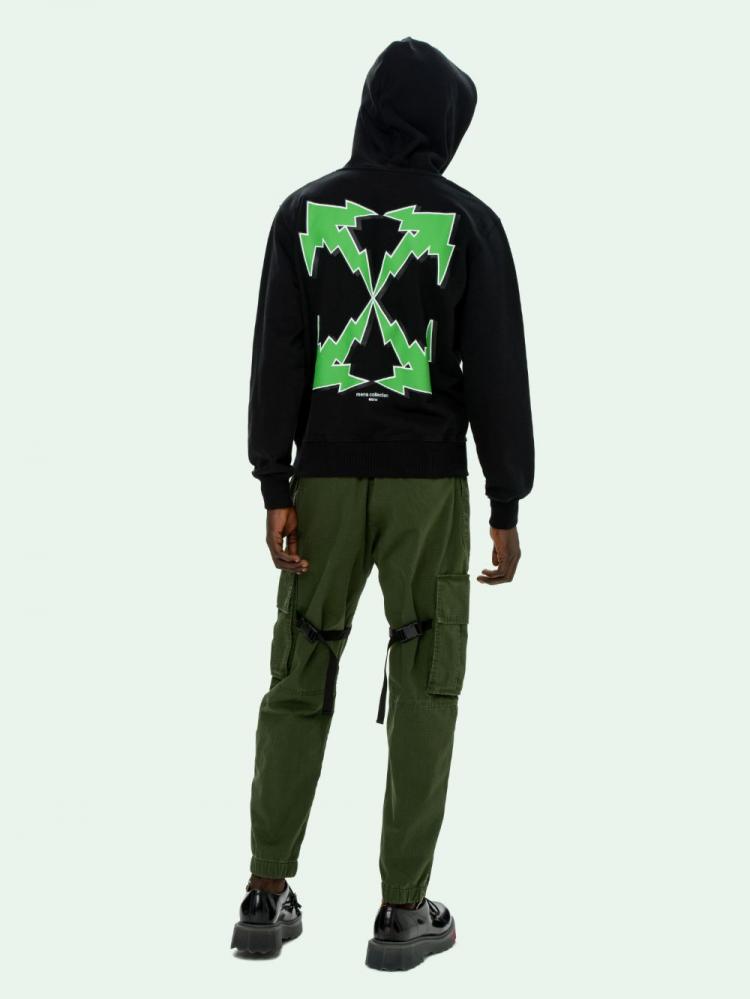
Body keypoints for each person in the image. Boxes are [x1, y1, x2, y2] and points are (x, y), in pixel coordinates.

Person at [231, 37, 534, 971]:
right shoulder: (469, 222)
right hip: (426, 486)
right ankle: (403, 913)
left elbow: (278, 352)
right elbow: (498, 371)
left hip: (320, 480)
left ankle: (264, 893)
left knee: (299, 668)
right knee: (426, 678)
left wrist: (274, 482)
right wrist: (506, 501)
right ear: (441, 122)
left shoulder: (300, 213)